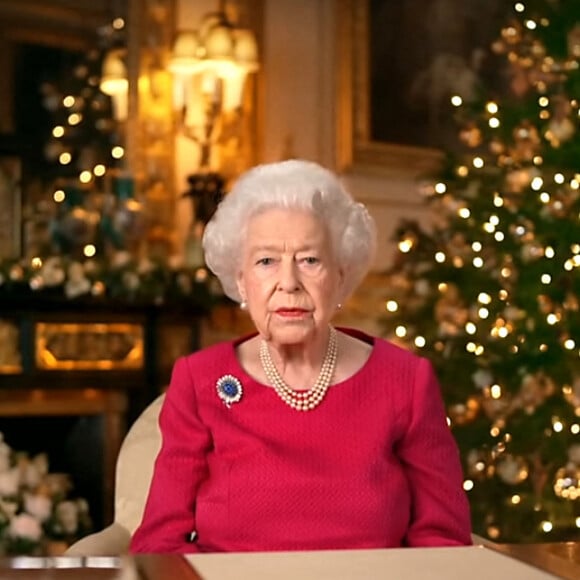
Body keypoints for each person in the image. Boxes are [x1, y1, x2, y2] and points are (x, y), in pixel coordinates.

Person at [129, 159, 472, 553]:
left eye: (310, 260)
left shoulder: (405, 382)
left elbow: (442, 541)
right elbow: (160, 544)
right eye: (266, 261)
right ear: (241, 279)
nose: (288, 283)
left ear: (341, 277)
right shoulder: (199, 381)